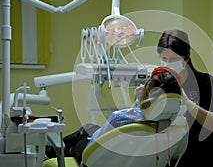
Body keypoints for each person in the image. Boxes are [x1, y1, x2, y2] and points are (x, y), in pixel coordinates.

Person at [45, 67, 184, 164]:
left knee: (83, 134)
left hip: (93, 156)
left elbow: (96, 144)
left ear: (146, 92)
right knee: (90, 126)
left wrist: (140, 100)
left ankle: (51, 151)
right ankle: (52, 149)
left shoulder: (120, 118)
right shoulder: (177, 127)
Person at [156, 29, 213, 167]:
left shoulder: (205, 82)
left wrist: (188, 103)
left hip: (206, 158)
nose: (168, 63)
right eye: (164, 59)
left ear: (186, 58)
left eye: (174, 59)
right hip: (174, 160)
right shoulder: (159, 84)